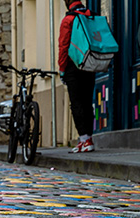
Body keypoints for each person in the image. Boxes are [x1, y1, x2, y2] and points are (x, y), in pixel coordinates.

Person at [58, 0, 96, 153]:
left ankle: (84, 139)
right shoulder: (91, 16)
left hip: (73, 66)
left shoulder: (68, 20)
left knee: (76, 103)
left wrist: (62, 69)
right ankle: (89, 139)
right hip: (90, 63)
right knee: (87, 102)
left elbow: (63, 46)